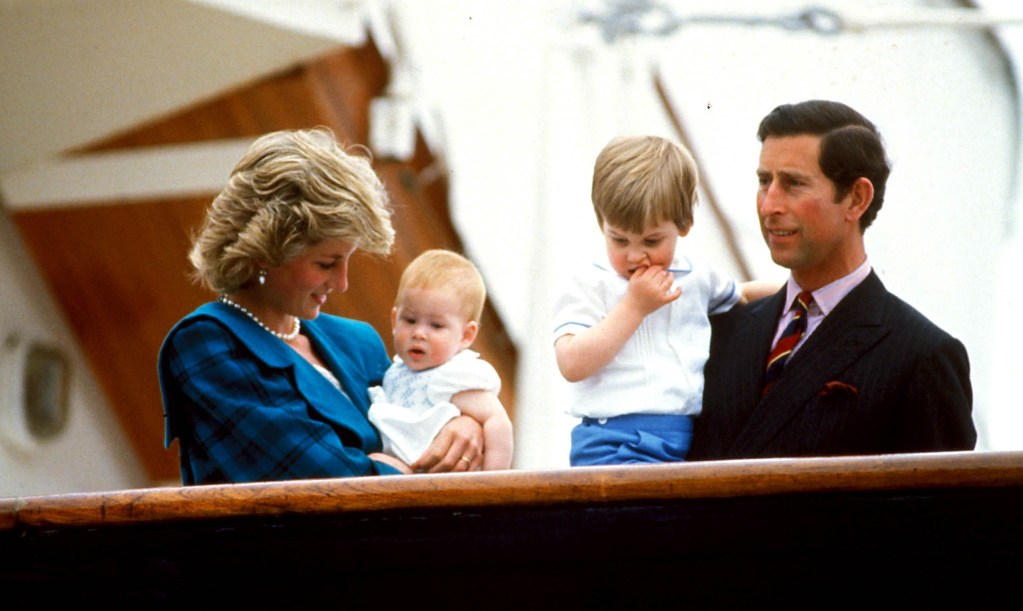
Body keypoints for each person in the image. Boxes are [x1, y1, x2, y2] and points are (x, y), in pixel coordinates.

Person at [158, 127, 483, 485]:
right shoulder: (207, 342)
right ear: (266, 251)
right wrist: (398, 469)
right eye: (326, 264)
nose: (342, 283)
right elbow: (313, 477)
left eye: (347, 261)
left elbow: (424, 425)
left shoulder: (358, 341)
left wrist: (466, 423)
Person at [688, 100, 976, 460]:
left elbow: (946, 512)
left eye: (793, 184)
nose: (768, 206)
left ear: (856, 199)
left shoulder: (921, 357)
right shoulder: (722, 331)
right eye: (765, 181)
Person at [553, 135, 777, 466]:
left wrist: (802, 289)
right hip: (614, 441)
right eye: (619, 239)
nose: (635, 255)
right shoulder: (591, 282)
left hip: (686, 438)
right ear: (601, 221)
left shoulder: (696, 274)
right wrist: (634, 307)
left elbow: (741, 293)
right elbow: (571, 363)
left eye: (652, 240)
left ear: (684, 224)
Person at [367, 249, 513, 472]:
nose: (419, 333)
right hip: (403, 474)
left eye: (436, 326)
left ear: (466, 335)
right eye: (410, 320)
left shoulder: (453, 375)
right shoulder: (395, 371)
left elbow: (497, 421)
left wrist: (493, 483)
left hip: (442, 477)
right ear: (394, 319)